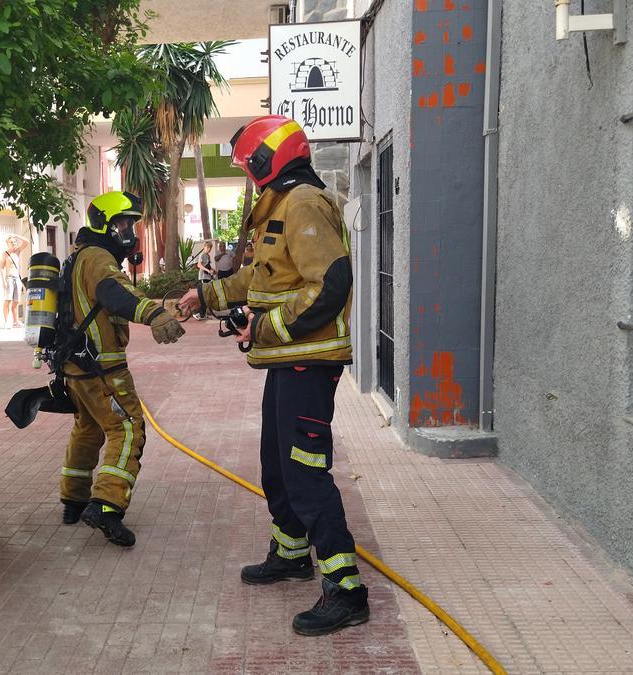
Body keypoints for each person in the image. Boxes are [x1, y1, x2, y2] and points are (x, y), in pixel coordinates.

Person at [178, 115, 364, 636]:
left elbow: (331, 283)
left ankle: (346, 589)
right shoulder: (280, 208)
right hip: (286, 361)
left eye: (248, 167)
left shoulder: (303, 204)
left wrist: (265, 327)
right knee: (276, 466)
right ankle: (291, 553)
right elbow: (259, 280)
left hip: (307, 360)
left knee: (305, 471)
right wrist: (206, 296)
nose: (247, 177)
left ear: (267, 162)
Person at [59, 190, 185, 547]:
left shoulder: (77, 256)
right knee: (128, 429)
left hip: (75, 368)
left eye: (131, 222)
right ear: (106, 225)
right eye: (124, 222)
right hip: (102, 367)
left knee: (88, 429)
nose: (130, 229)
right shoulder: (98, 258)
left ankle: (73, 499)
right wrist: (155, 313)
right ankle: (107, 506)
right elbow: (113, 294)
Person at [0, 235, 30, 328]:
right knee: (8, 300)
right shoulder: (5, 254)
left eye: (15, 242)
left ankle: (15, 321)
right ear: (8, 244)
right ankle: (6, 321)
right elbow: (0, 267)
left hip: (17, 279)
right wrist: (3, 281)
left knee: (16, 301)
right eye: (12, 242)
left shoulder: (17, 252)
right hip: (9, 278)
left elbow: (26, 241)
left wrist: (16, 235)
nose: (14, 244)